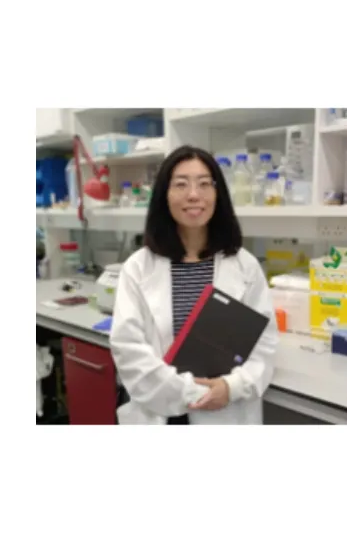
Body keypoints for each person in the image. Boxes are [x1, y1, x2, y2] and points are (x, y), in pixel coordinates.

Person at [110, 145, 278, 425]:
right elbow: (129, 350)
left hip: (226, 411)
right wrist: (192, 391)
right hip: (160, 412)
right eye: (181, 185)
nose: (193, 195)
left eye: (204, 184)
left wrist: (232, 387)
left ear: (217, 194)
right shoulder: (138, 268)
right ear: (164, 195)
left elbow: (265, 343)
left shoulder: (244, 266)